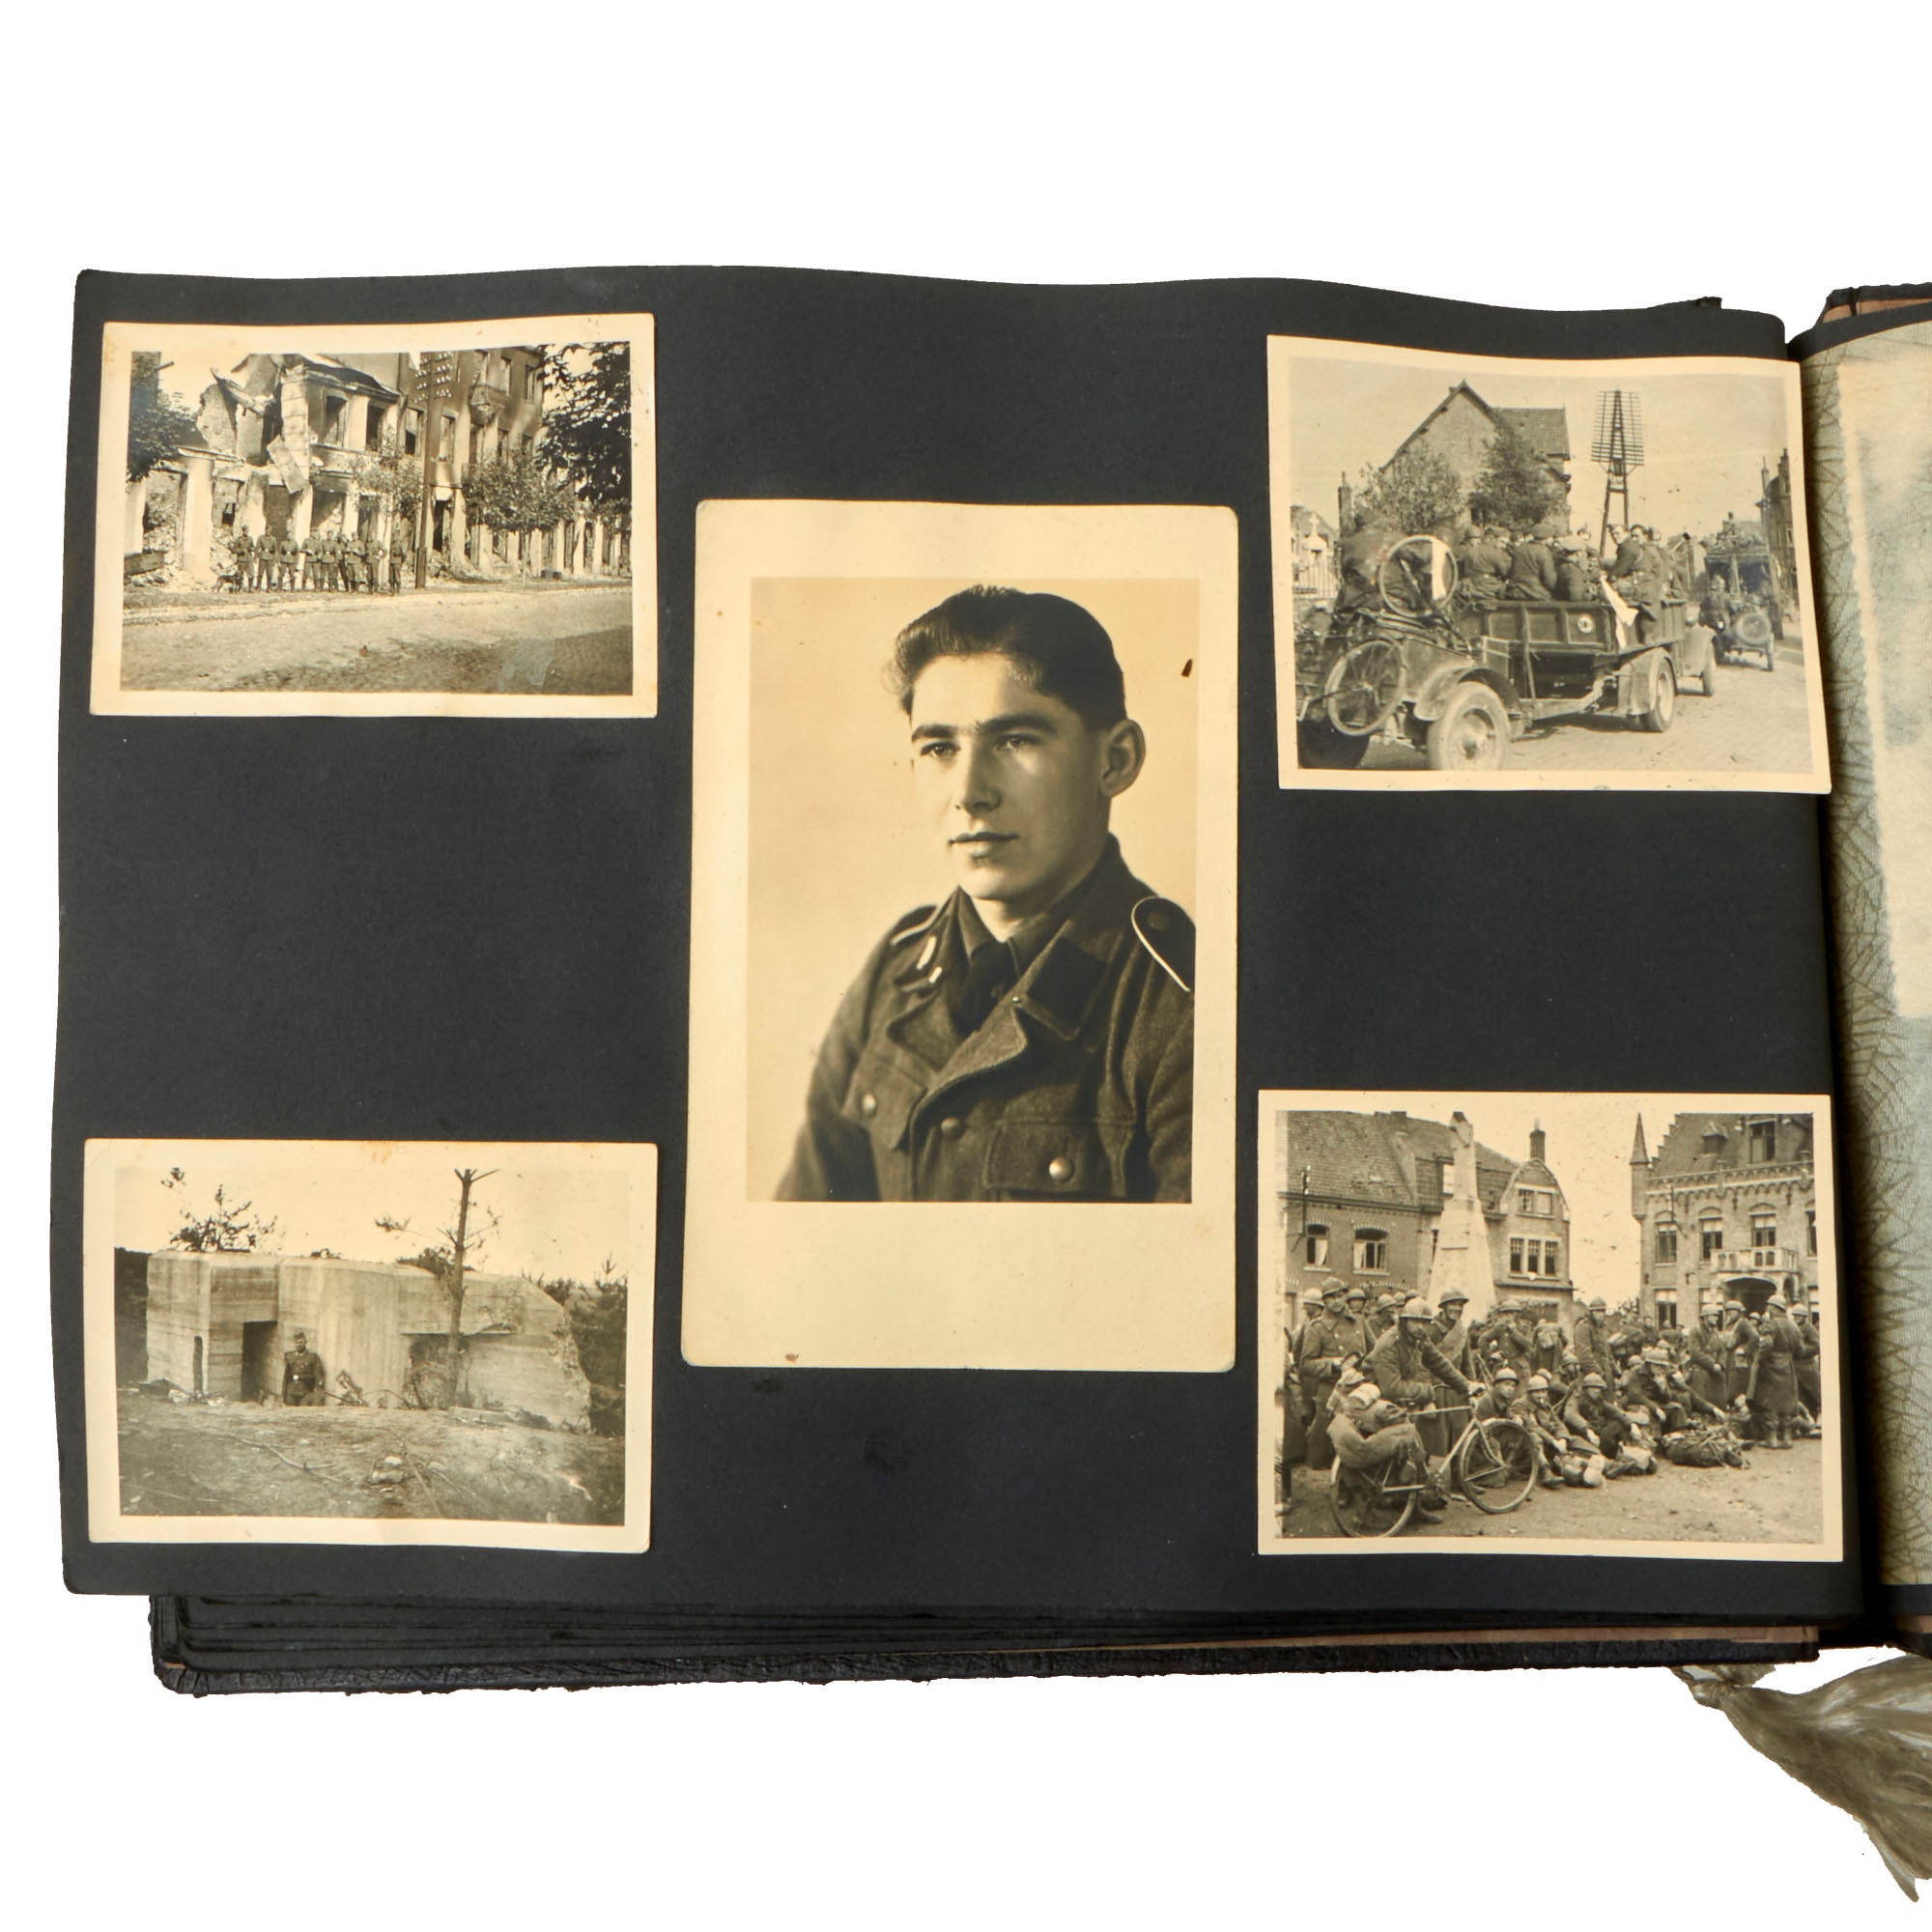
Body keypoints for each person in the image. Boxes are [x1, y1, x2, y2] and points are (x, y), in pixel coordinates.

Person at [776, 585, 1192, 1204]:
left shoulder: (1182, 1007)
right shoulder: (895, 970)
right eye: (939, 748)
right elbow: (801, 1227)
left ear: (1116, 761)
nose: (969, 793)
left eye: (1014, 740)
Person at [1328, 1380, 1443, 1522]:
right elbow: (1392, 1387)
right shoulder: (1383, 1405)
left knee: (1364, 1461)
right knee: (1408, 1440)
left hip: (1359, 1420)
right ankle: (1413, 1504)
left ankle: (1367, 1511)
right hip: (1381, 1408)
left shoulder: (1348, 1406)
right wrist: (1426, 1392)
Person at [1296, 1278, 1369, 1472]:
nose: (1336, 1301)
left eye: (1340, 1295)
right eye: (1331, 1298)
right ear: (1324, 1301)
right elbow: (1306, 1364)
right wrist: (1332, 1363)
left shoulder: (1359, 1321)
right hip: (1330, 1392)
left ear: (1346, 1296)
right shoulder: (1317, 1327)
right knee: (1322, 1453)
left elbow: (1373, 1350)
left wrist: (1364, 1369)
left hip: (1358, 1387)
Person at [1367, 1297, 1473, 1410]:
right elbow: (1392, 1388)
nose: (1420, 1327)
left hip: (1402, 1397)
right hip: (1374, 1398)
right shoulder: (1390, 1344)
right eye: (1415, 1321)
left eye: (1424, 1323)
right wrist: (1428, 1391)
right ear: (1405, 1321)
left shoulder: (1419, 1338)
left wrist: (1467, 1386)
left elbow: (1439, 1363)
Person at [1520, 1372, 1606, 1487]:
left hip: (1550, 1443)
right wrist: (1553, 1441)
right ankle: (1547, 1472)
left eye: (1543, 1391)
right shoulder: (1520, 1405)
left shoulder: (1545, 1405)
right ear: (1529, 1393)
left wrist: (1563, 1438)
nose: (1541, 1395)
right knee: (1536, 1438)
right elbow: (1532, 1426)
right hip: (1531, 1447)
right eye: (1537, 1392)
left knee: (1575, 1440)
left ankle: (1607, 1464)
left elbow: (1558, 1423)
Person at [1748, 1295, 1805, 1449]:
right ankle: (1787, 1439)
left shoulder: (1770, 1323)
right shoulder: (1794, 1325)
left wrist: (1759, 1358)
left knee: (1769, 1400)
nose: (1768, 1309)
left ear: (1774, 1308)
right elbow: (1801, 1349)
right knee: (1788, 1402)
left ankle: (1772, 1440)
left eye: (1769, 1306)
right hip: (1788, 1367)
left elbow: (1766, 1344)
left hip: (1771, 1366)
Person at [1505, 526, 1559, 600]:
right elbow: (1550, 581)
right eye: (1552, 537)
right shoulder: (1544, 551)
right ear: (1547, 538)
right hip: (1536, 593)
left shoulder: (1519, 548)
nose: (1553, 540)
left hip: (1515, 591)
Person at [1573, 1295, 1614, 1381]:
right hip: (1590, 1377)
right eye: (1597, 1311)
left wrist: (1616, 1372)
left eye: (1602, 1311)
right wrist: (1599, 1373)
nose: (1600, 1315)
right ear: (1591, 1312)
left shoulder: (1602, 1328)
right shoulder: (1583, 1327)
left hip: (1606, 1374)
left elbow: (1607, 1353)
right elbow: (1584, 1357)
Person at [281, 1331, 325, 1406]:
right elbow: (285, 1377)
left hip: (306, 1392)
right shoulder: (289, 1356)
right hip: (291, 1392)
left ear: (305, 1342)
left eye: (300, 1342)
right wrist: (283, 1394)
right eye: (296, 1342)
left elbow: (319, 1376)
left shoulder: (312, 1357)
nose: (298, 1345)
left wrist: (317, 1394)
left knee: (304, 1412)